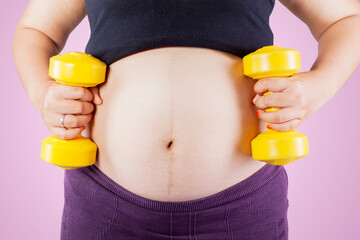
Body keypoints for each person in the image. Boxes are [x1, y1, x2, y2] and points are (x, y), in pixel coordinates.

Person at [13, 0, 360, 239]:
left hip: (240, 205)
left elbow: (346, 20)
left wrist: (316, 87)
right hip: (105, 203)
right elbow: (36, 29)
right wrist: (42, 92)